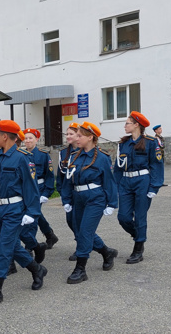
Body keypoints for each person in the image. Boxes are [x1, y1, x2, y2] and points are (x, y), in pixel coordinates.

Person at [0, 121, 46, 306]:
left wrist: (32, 212)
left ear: (5, 136)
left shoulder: (22, 158)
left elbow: (31, 187)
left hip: (15, 209)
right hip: (0, 208)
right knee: (13, 246)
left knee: (3, 247)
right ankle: (37, 269)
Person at [60, 122, 119, 284]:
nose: (76, 138)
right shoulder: (74, 156)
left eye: (80, 135)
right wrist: (66, 199)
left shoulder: (102, 158)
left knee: (85, 232)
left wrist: (112, 204)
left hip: (95, 199)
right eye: (76, 135)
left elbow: (109, 182)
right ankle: (106, 252)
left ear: (90, 137)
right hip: (78, 198)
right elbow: (68, 181)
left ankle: (80, 269)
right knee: (80, 232)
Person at [114, 111, 164, 264]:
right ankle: (139, 235)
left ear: (137, 125)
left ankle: (138, 248)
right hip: (126, 182)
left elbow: (157, 165)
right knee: (123, 217)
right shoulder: (123, 144)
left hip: (143, 181)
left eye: (127, 123)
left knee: (140, 216)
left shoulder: (150, 142)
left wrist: (154, 187)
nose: (125, 126)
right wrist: (115, 186)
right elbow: (117, 167)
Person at [22, 128, 58, 250]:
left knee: (32, 217)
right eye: (25, 138)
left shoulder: (43, 155)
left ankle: (29, 246)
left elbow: (49, 175)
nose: (27, 141)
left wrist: (47, 192)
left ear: (36, 140)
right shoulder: (21, 155)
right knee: (36, 214)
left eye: (30, 138)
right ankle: (49, 234)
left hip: (39, 189)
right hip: (26, 190)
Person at [57, 122, 80, 261]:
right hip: (68, 192)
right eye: (67, 134)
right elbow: (61, 176)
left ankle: (81, 246)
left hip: (81, 191)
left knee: (79, 221)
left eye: (71, 134)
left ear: (79, 135)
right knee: (70, 220)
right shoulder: (63, 153)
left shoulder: (84, 151)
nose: (68, 136)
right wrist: (61, 191)